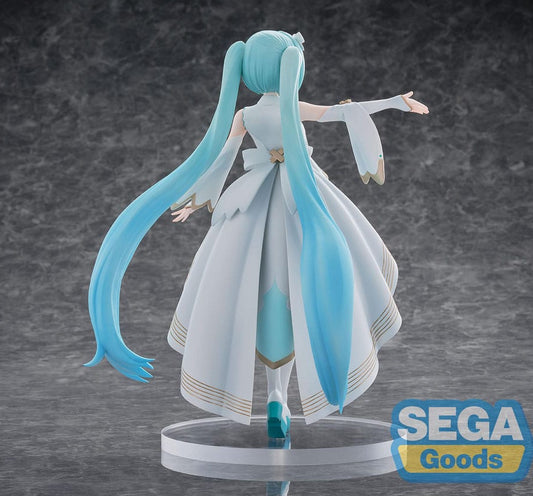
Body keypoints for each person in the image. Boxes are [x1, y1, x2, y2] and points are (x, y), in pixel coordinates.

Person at [86, 30, 429, 439]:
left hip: (250, 205)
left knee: (256, 299)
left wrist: (198, 198)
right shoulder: (292, 107)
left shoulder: (245, 115)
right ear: (290, 66)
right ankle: (282, 394)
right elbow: (345, 113)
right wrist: (395, 102)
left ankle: (275, 395)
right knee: (303, 295)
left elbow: (221, 158)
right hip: (304, 200)